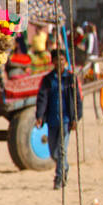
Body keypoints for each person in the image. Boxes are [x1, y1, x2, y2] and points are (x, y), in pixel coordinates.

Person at [35, 49, 83, 190]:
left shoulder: (71, 79)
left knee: (62, 150)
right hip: (52, 120)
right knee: (53, 152)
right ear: (53, 62)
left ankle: (59, 178)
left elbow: (77, 100)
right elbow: (42, 98)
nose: (59, 62)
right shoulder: (48, 80)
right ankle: (64, 167)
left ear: (65, 61)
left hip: (66, 120)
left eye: (62, 60)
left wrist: (76, 118)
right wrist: (39, 115)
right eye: (57, 60)